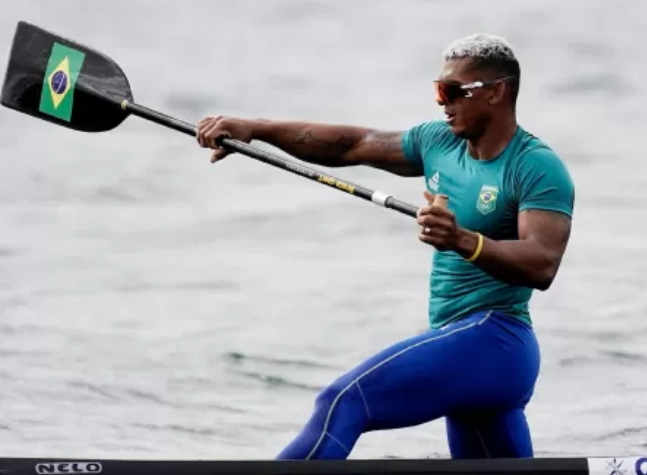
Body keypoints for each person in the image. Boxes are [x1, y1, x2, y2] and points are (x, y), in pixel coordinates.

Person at [196, 33, 575, 460]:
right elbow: (350, 145)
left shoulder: (535, 166)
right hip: (460, 345)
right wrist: (255, 129)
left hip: (497, 342)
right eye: (438, 89)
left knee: (343, 403)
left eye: (452, 91)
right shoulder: (439, 143)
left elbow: (542, 264)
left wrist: (461, 240)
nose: (441, 101)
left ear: (495, 93)